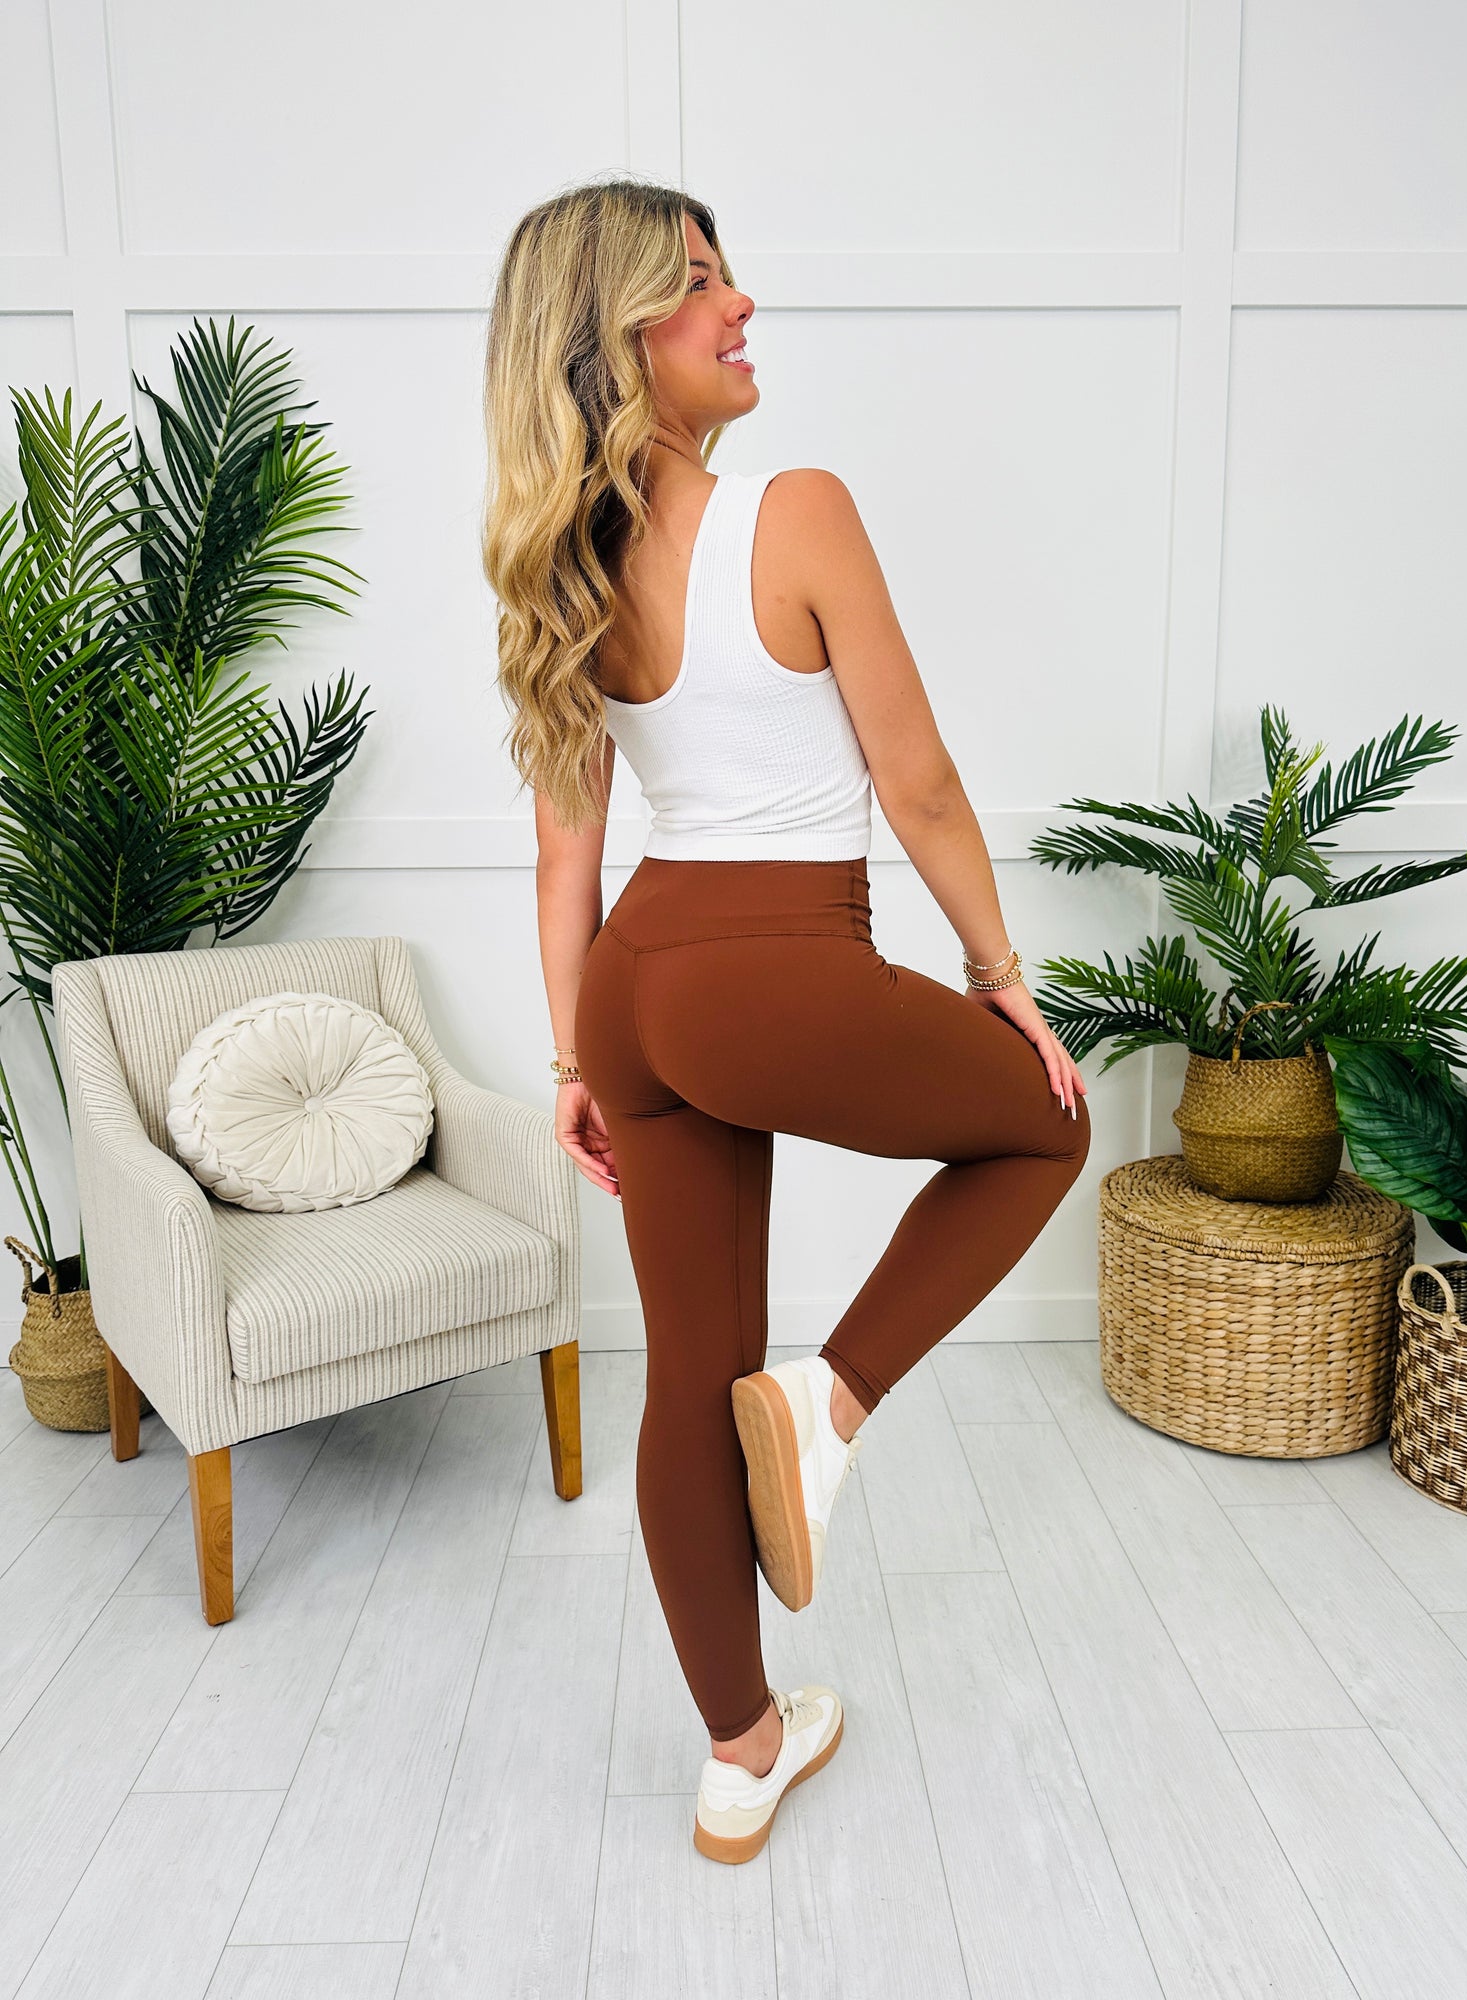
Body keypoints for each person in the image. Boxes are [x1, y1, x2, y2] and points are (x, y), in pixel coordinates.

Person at [482, 177, 1091, 1865]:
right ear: (621, 338)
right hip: (768, 964)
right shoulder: (796, 511)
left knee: (689, 1371)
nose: (740, 303)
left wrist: (574, 1060)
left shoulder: (563, 567)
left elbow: (564, 856)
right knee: (1048, 1125)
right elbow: (922, 782)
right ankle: (829, 1407)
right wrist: (999, 977)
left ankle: (742, 1755)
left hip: (636, 986)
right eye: (698, 283)